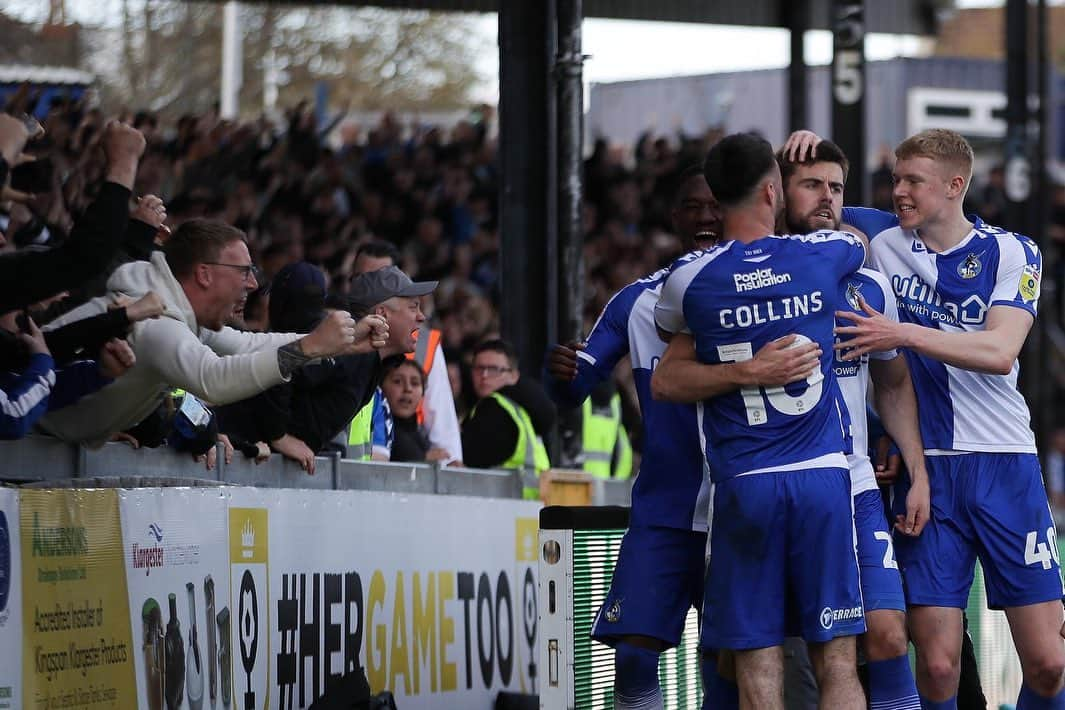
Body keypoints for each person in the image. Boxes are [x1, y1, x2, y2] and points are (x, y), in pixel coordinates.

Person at [830, 128, 1065, 709]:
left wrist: (901, 332)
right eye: (895, 179)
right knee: (935, 665)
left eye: (913, 181)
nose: (899, 192)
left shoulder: (1013, 252)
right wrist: (804, 147)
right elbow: (809, 203)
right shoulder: (881, 237)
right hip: (927, 470)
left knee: (1050, 663)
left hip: (1006, 466)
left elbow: (999, 351)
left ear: (955, 186)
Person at [652, 132, 867, 709]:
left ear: (716, 199)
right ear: (774, 190)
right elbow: (855, 236)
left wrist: (745, 371)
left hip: (745, 486)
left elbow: (665, 381)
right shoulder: (819, 255)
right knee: (839, 663)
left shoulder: (688, 281)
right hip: (823, 477)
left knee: (758, 663)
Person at [544, 165, 723, 708]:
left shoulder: (770, 292)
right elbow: (574, 388)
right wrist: (561, 372)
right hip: (663, 513)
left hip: (739, 509)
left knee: (729, 668)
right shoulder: (637, 302)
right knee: (633, 658)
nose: (707, 216)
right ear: (674, 218)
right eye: (693, 205)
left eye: (717, 203)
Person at [37, 219, 388, 446]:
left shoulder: (178, 313)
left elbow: (248, 345)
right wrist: (310, 347)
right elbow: (214, 379)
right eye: (244, 271)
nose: (252, 283)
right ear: (205, 274)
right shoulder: (156, 325)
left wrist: (337, 346)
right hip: (22, 448)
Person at [351, 241, 463, 464]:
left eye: (383, 275)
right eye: (413, 307)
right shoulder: (342, 361)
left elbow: (444, 431)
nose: (421, 317)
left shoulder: (424, 344)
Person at [343, 265, 438, 461]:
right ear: (382, 314)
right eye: (413, 307)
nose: (422, 317)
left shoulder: (372, 374)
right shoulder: (345, 367)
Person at [462, 339, 554, 498]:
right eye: (479, 368)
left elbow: (470, 459)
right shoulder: (520, 410)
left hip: (503, 508)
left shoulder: (495, 408)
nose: (484, 376)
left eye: (494, 369)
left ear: (513, 376)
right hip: (529, 510)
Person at [377, 354, 449, 463]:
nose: (408, 389)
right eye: (397, 381)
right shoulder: (377, 431)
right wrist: (423, 460)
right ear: (381, 387)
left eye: (415, 383)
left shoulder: (423, 435)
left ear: (423, 392)